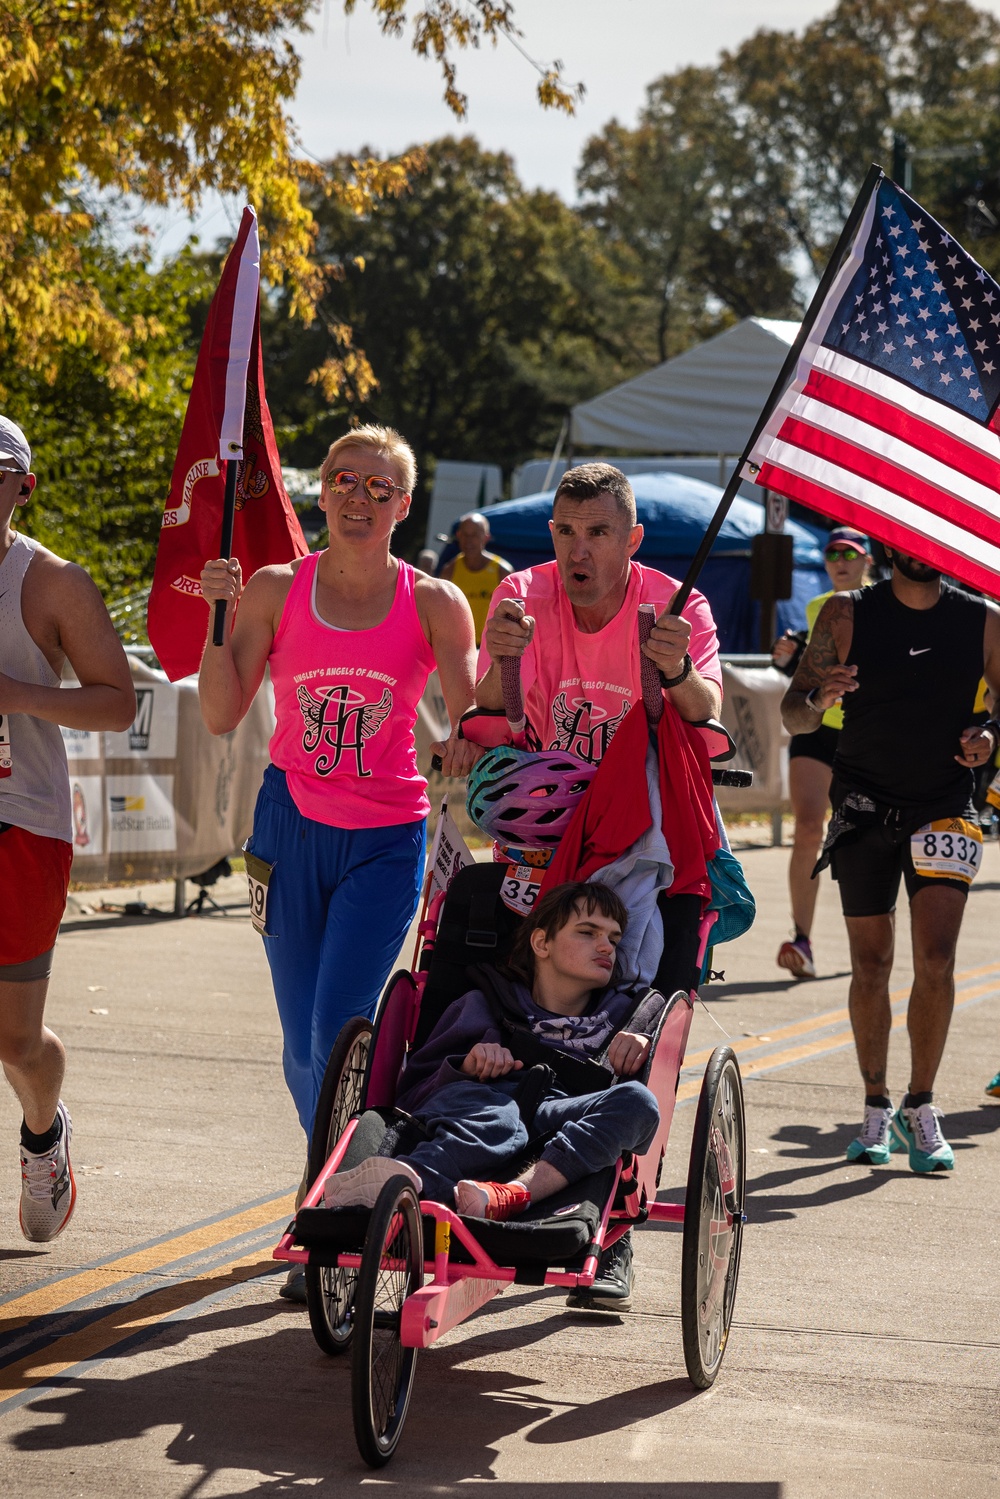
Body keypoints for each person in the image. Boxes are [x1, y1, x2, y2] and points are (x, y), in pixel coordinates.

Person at [198, 424, 480, 1294]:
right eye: (344, 482)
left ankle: (334, 1217)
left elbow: (475, 716)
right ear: (321, 493)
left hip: (386, 839)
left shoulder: (434, 602)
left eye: (380, 487)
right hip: (286, 830)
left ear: (405, 504)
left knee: (338, 1029)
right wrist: (216, 614)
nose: (360, 498)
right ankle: (335, 1184)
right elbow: (217, 711)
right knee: (297, 1047)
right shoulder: (279, 589)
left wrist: (477, 722)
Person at [474, 461, 722, 1306]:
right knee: (495, 986)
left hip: (646, 844)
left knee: (642, 1019)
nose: (579, 550)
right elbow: (482, 716)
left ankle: (613, 1226)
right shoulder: (520, 594)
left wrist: (680, 670)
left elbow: (706, 711)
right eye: (566, 532)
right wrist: (495, 659)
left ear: (632, 540)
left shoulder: (674, 601)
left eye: (599, 533)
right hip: (545, 836)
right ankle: (480, 1153)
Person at [781, 549, 1000, 1172]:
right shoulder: (847, 615)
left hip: (944, 804)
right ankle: (875, 1106)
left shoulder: (983, 619)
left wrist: (991, 737)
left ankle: (920, 1104)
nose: (922, 553)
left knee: (937, 957)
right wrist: (820, 696)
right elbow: (793, 713)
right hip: (863, 806)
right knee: (871, 961)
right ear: (890, 546)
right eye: (910, 542)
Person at [325, 882, 660, 1251]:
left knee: (638, 1101)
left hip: (557, 1123)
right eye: (587, 932)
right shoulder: (482, 1004)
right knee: (499, 1115)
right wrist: (465, 1065)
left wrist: (641, 1039)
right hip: (479, 1103)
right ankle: (408, 1180)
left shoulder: (628, 1018)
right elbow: (410, 1098)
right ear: (541, 944)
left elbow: (637, 1127)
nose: (605, 947)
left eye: (614, 939)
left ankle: (514, 1194)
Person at [0, 414, 136, 1241]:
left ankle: (44, 1135)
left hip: (22, 818)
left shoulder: (51, 583)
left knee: (13, 1039)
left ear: (22, 485)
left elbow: (117, 701)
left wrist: (16, 695)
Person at [772, 526, 872, 979]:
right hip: (817, 727)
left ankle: (869, 940)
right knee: (809, 825)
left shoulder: (887, 603)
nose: (840, 561)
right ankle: (802, 940)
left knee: (858, 838)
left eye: (849, 553)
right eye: (832, 553)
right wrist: (790, 658)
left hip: (865, 732)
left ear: (868, 559)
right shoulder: (817, 606)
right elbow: (811, 668)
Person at [439, 511, 512, 646]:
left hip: (491, 647)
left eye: (475, 535)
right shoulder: (449, 571)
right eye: (465, 535)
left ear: (486, 537)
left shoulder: (503, 571)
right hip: (459, 646)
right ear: (458, 536)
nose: (469, 540)